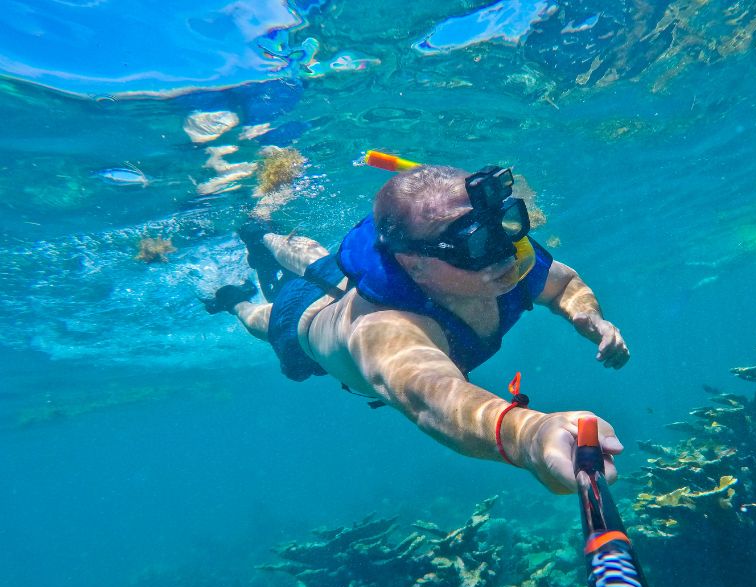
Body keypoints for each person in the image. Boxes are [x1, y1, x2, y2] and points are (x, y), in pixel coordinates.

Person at [205, 163, 629, 493]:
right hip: (304, 318)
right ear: (415, 264)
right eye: (477, 243)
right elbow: (432, 399)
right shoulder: (386, 331)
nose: (504, 251)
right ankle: (235, 295)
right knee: (261, 319)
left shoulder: (497, 260)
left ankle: (265, 234)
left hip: (348, 276)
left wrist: (587, 316)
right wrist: (531, 436)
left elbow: (564, 284)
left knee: (318, 258)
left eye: (507, 226)